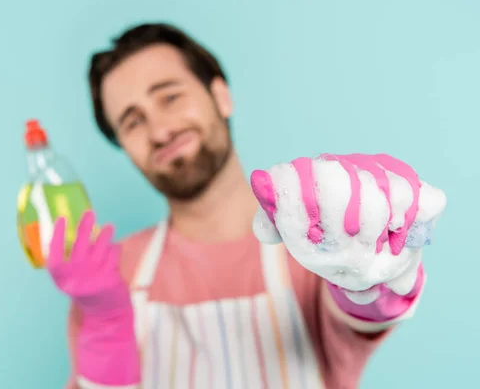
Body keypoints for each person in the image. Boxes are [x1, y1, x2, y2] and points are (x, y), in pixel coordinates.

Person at [46, 23, 435, 389]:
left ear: (221, 96)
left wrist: (379, 270)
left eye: (170, 97)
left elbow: (365, 315)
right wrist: (105, 325)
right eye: (132, 122)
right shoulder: (109, 278)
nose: (160, 131)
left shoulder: (314, 241)